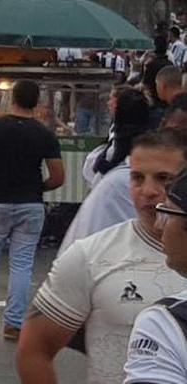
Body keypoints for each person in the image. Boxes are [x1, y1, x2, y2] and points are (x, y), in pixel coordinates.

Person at [16, 129, 187, 384]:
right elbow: (34, 350)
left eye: (163, 178)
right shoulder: (91, 255)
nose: (148, 191)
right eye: (137, 178)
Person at [0, 79, 65, 340]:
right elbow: (58, 177)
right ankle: (13, 324)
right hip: (31, 204)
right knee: (22, 263)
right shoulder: (45, 134)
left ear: (11, 99)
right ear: (37, 102)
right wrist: (37, 187)